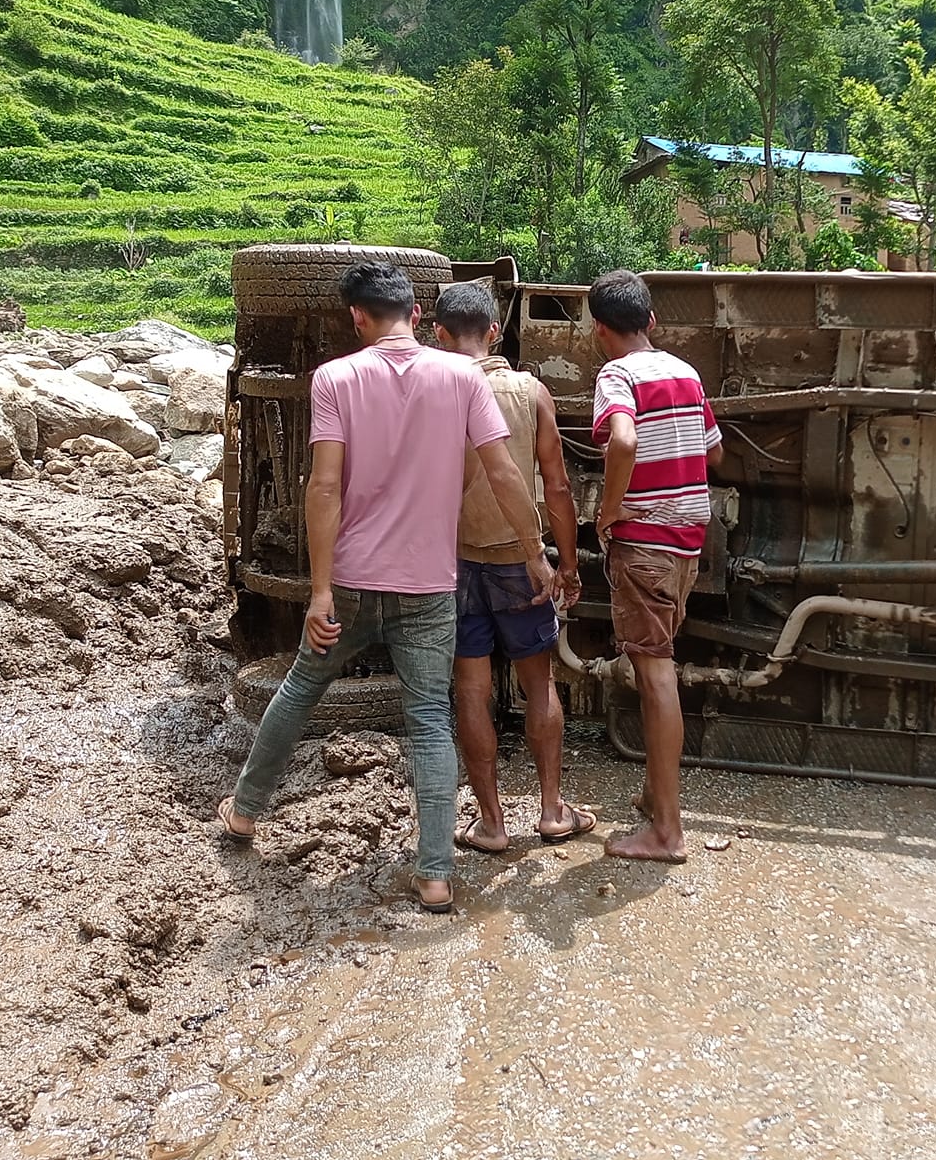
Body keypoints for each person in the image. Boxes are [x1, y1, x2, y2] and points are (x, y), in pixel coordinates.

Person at [216, 262, 556, 915]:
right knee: (430, 718)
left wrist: (317, 592)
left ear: (357, 319)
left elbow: (321, 486)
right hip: (428, 587)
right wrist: (534, 554)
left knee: (299, 690)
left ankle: (246, 815)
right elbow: (505, 475)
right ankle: (434, 875)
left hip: (347, 581)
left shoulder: (336, 378)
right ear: (419, 317)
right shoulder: (461, 377)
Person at [430, 281, 594, 850]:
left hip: (455, 566)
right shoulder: (531, 392)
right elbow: (557, 485)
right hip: (522, 565)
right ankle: (551, 811)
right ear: (496, 331)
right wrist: (566, 562)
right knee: (538, 682)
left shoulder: (432, 393)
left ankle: (492, 823)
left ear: (438, 334)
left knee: (470, 690)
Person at [588, 269, 723, 864]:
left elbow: (621, 441)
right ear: (651, 321)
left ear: (598, 330)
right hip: (689, 538)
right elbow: (714, 448)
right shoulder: (685, 372)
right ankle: (653, 795)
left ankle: (667, 832)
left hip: (645, 538)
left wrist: (610, 510)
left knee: (655, 676)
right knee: (660, 660)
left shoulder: (616, 375)